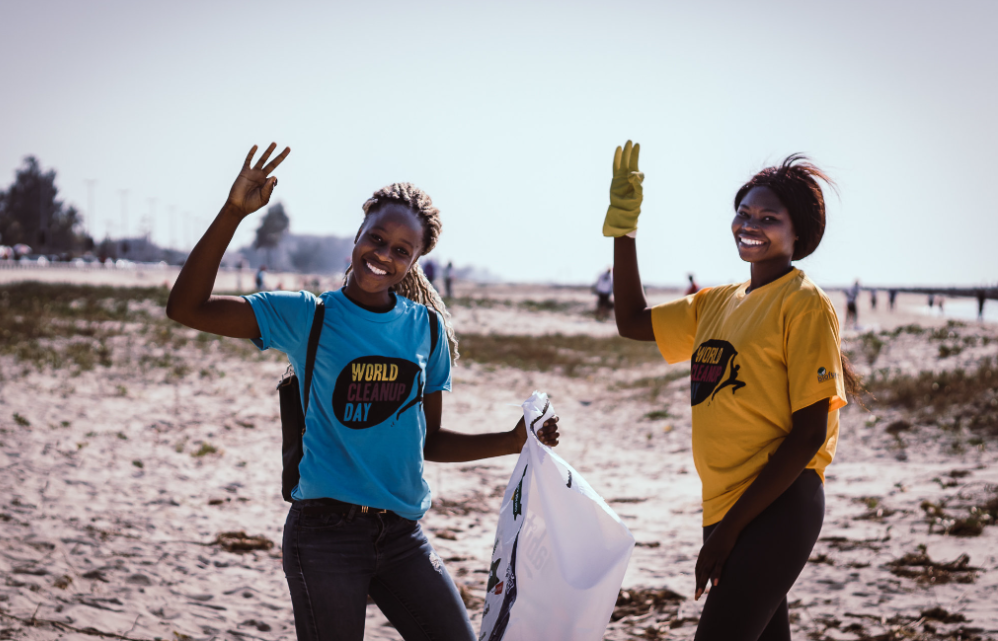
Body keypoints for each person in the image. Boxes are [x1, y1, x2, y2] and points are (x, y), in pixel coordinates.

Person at [166, 143, 560, 641]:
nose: (383, 255)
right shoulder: (309, 315)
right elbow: (186, 307)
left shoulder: (428, 330)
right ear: (358, 235)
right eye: (376, 238)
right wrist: (233, 213)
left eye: (401, 250)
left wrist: (512, 438)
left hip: (402, 535)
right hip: (324, 534)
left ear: (416, 261)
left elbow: (428, 441)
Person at [601, 141, 856, 641]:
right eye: (743, 213)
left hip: (777, 503)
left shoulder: (804, 304)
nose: (750, 225)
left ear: (798, 232)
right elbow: (631, 321)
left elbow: (808, 435)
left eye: (768, 217)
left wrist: (730, 531)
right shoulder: (716, 302)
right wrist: (623, 229)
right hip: (723, 504)